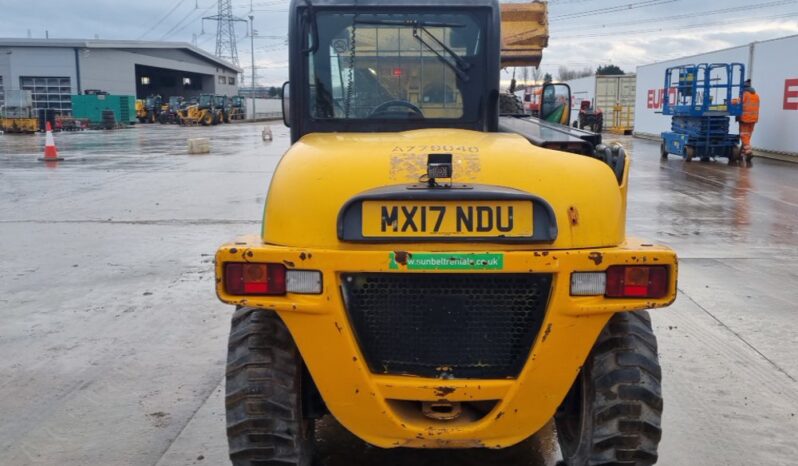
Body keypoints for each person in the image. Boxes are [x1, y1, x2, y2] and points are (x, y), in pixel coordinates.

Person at [739, 79, 760, 167]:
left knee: (744, 135)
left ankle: (748, 152)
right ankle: (742, 152)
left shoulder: (745, 94)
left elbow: (738, 102)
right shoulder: (756, 95)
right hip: (753, 119)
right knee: (748, 135)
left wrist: (729, 101)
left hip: (745, 119)